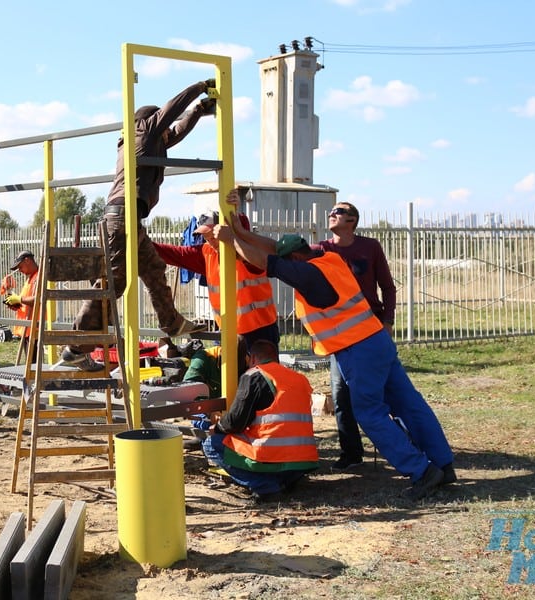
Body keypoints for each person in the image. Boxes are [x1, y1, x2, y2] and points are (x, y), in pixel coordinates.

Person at [227, 219, 455, 501]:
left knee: (369, 413)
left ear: (297, 259)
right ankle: (443, 464)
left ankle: (421, 471)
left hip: (357, 350)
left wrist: (232, 241)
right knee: (409, 403)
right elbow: (276, 248)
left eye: (291, 265)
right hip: (376, 340)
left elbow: (268, 261)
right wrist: (242, 233)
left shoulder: (309, 275)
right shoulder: (328, 259)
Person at [60, 79, 217, 371]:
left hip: (130, 219)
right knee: (113, 282)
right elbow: (171, 112)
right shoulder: (141, 131)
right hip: (121, 218)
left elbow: (177, 131)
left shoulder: (149, 141)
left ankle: (171, 322)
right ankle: (75, 346)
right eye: (159, 125)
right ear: (147, 122)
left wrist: (199, 110)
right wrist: (200, 88)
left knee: (153, 268)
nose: (164, 132)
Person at [317, 202, 397, 471]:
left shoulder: (370, 247)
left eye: (338, 211)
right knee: (341, 393)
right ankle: (351, 452)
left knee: (384, 390)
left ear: (352, 220)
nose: (332, 213)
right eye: (332, 210)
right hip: (340, 333)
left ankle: (398, 443)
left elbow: (387, 287)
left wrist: (387, 321)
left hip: (371, 329)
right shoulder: (322, 249)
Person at [201, 339, 319, 503]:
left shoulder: (254, 375)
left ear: (253, 359)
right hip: (303, 461)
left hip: (272, 457)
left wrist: (218, 427)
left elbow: (236, 421)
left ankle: (265, 486)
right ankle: (284, 481)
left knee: (211, 444)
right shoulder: (299, 378)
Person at [153, 205, 280, 350]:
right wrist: (144, 244)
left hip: (260, 331)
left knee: (263, 372)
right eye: (205, 237)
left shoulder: (247, 251)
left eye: (212, 236)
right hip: (227, 331)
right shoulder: (207, 253)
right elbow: (175, 254)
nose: (210, 241)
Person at [3, 250, 41, 339]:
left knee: (33, 353)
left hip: (34, 330)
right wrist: (16, 304)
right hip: (26, 329)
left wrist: (18, 299)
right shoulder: (30, 279)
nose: (19, 270)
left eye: (20, 266)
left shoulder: (39, 277)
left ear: (27, 260)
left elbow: (38, 300)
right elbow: (26, 302)